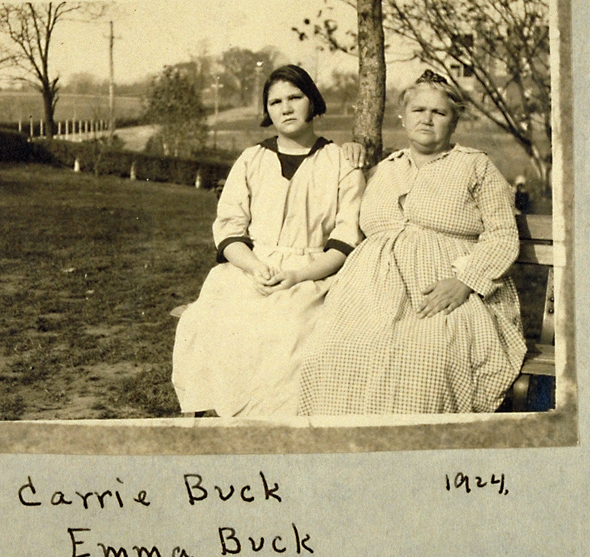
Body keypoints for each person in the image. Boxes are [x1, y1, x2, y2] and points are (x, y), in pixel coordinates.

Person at [299, 70, 527, 415]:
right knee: (330, 354)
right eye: (419, 110)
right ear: (403, 117)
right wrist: (351, 150)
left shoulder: (475, 166)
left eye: (439, 112)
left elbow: (502, 235)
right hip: (368, 295)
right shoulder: (383, 169)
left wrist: (465, 282)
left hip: (445, 291)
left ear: (454, 121)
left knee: (425, 363)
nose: (427, 119)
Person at [171, 65, 366, 418]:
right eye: (275, 101)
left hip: (313, 274)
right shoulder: (252, 159)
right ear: (267, 110)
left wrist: (298, 276)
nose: (286, 108)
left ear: (313, 103)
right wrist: (255, 266)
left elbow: (345, 238)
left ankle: (273, 430)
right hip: (250, 269)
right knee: (206, 322)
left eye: (295, 97)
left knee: (289, 333)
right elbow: (229, 229)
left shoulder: (340, 162)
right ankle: (217, 420)